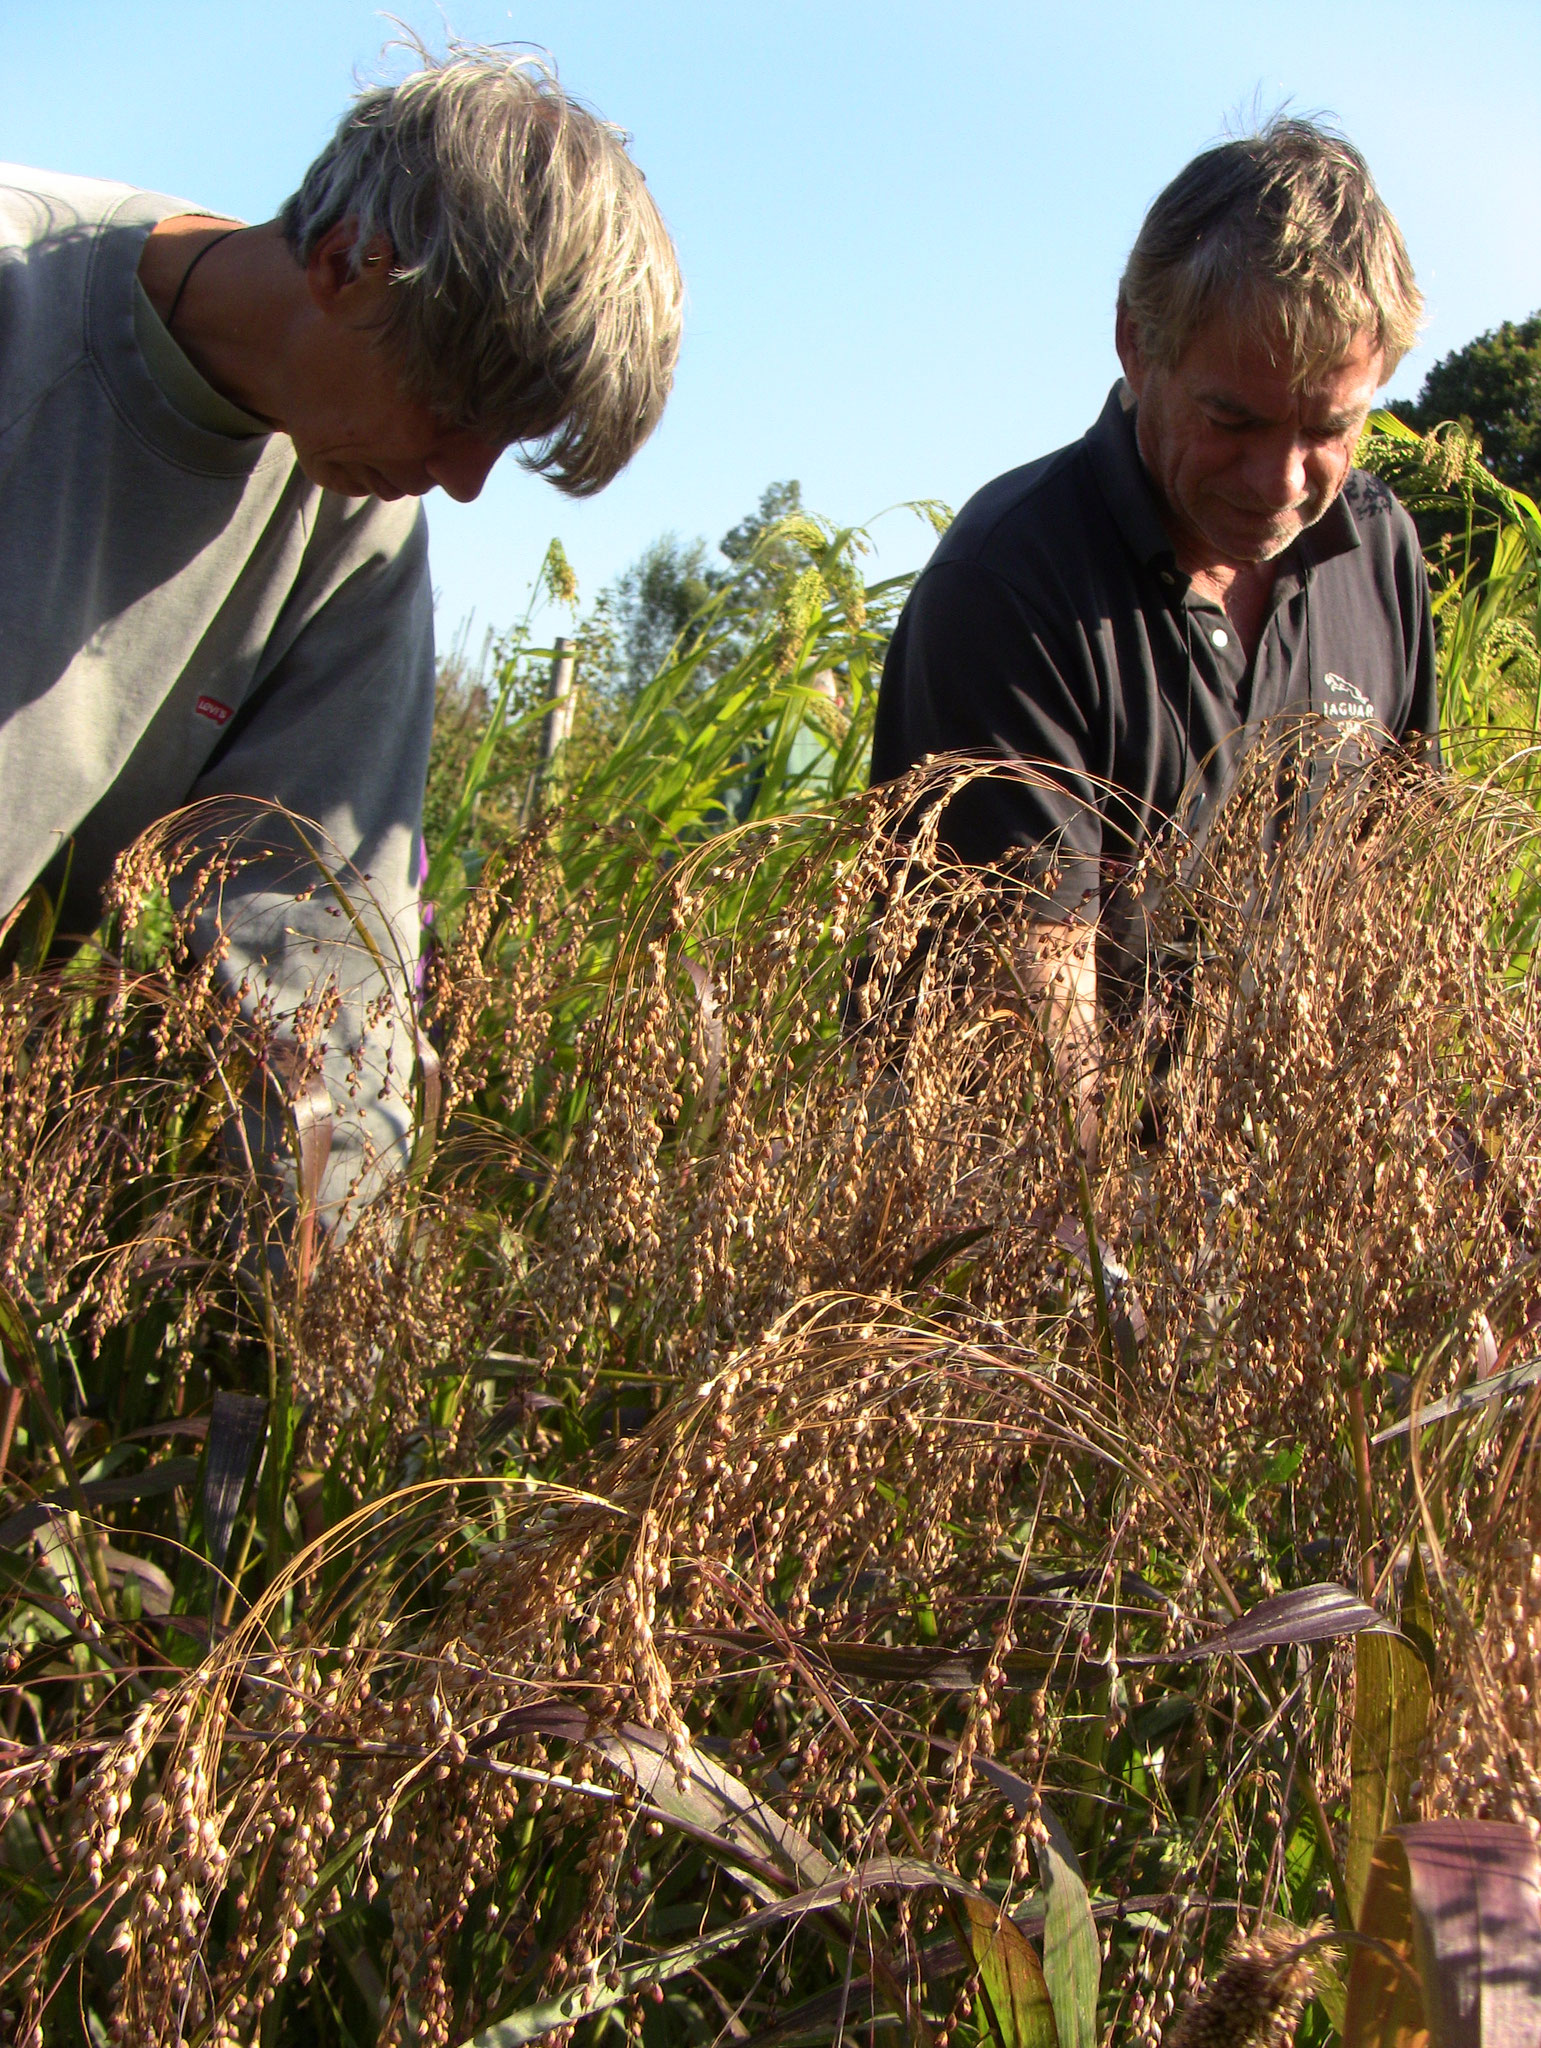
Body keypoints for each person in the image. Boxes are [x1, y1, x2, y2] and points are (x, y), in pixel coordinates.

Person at [0, 43, 682, 1224]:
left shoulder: (353, 528)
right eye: (461, 410)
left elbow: (318, 947)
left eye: (506, 439)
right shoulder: (22, 310)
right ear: (347, 263)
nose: (464, 481)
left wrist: (332, 1318)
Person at [869, 118, 1436, 1126]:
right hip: (1022, 1201)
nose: (1280, 481)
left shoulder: (1378, 555)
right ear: (1137, 344)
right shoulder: (1012, 582)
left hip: (1271, 1205)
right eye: (1234, 421)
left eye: (1326, 429)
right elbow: (1029, 1027)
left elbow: (1393, 911)